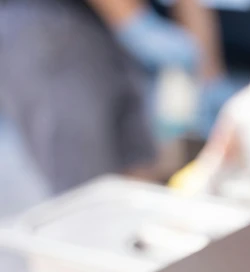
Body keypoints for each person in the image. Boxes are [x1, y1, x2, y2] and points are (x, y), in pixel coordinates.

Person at [0, 0, 233, 193]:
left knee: (139, 163)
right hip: (47, 20)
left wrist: (208, 74)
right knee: (86, 186)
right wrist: (136, 24)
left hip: (114, 23)